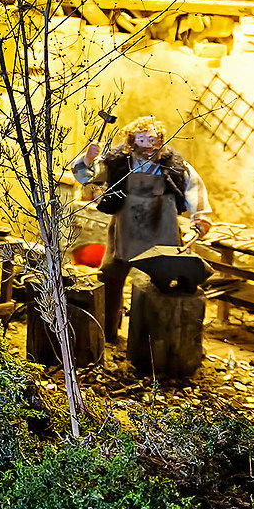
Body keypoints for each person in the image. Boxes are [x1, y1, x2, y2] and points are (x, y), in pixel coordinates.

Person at [69, 115, 212, 343]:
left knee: (163, 280)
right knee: (111, 276)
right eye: (143, 140)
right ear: (132, 140)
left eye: (153, 140)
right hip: (126, 225)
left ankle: (157, 338)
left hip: (162, 225)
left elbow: (194, 185)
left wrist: (200, 217)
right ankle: (108, 332)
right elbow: (87, 177)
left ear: (161, 140)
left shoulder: (174, 164)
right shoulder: (118, 162)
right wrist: (87, 160)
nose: (149, 145)